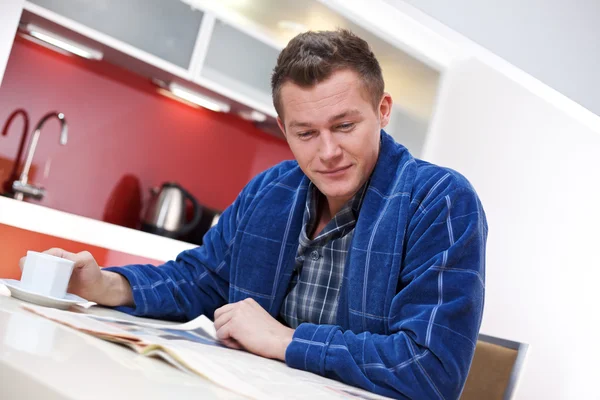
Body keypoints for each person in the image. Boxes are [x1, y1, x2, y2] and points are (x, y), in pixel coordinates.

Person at [24, 30, 487, 399]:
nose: (328, 152)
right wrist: (106, 285)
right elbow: (203, 280)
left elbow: (429, 370)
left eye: (345, 126)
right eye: (306, 133)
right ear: (284, 128)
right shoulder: (271, 188)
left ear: (382, 111)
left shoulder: (439, 201)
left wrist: (285, 340)